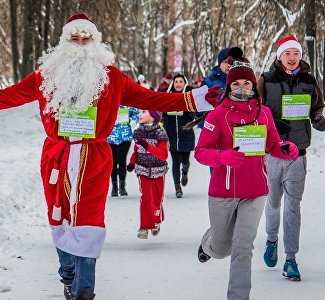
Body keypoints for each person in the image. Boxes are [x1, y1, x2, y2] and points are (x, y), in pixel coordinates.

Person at [0, 13, 216, 300]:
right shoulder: (45, 77)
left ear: (95, 42)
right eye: (74, 39)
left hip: (94, 156)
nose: (80, 44)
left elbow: (151, 99)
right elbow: (10, 95)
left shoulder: (111, 78)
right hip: (58, 156)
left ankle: (85, 289)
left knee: (88, 218)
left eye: (85, 39)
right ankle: (68, 271)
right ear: (64, 43)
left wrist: (193, 98)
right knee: (60, 216)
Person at [194, 53, 299, 300]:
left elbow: (273, 144)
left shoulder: (262, 114)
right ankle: (209, 242)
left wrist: (285, 149)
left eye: (247, 83)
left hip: (255, 191)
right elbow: (201, 152)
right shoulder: (217, 115)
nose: (242, 88)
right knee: (221, 248)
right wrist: (222, 157)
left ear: (253, 85)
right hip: (223, 191)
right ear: (229, 86)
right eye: (236, 83)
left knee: (243, 248)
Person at [257, 35, 325, 281]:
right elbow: (256, 108)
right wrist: (270, 124)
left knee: (293, 208)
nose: (293, 57)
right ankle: (272, 239)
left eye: (296, 53)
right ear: (280, 55)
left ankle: (291, 259)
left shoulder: (308, 79)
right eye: (288, 53)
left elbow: (317, 106)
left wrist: (318, 120)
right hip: (273, 152)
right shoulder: (265, 79)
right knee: (274, 203)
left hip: (299, 153)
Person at [127, 110, 168, 239]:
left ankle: (156, 220)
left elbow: (163, 155)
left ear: (153, 116)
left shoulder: (160, 132)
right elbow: (136, 149)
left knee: (156, 198)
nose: (139, 114)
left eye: (143, 112)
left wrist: (147, 146)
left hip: (158, 169)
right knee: (146, 197)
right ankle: (144, 227)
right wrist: (132, 162)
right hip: (142, 169)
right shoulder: (138, 132)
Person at [162, 73, 195, 198]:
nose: (178, 84)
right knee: (175, 161)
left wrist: (186, 109)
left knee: (185, 160)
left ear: (184, 83)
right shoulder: (168, 95)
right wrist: (164, 120)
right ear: (173, 83)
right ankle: (177, 187)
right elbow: (162, 111)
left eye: (181, 81)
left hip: (185, 132)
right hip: (171, 133)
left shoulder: (189, 96)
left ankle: (185, 171)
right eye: (176, 82)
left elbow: (194, 113)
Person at [108, 105, 138, 197]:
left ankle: (122, 186)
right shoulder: (110, 101)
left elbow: (136, 113)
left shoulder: (128, 102)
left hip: (125, 136)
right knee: (112, 161)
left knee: (122, 160)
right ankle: (114, 186)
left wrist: (131, 121)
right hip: (111, 136)